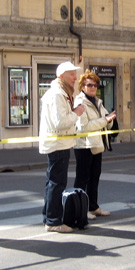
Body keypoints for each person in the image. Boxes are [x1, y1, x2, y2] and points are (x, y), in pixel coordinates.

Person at [39, 61, 85, 233]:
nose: (75, 77)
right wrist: (76, 113)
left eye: (75, 73)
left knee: (53, 182)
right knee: (57, 183)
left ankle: (49, 217)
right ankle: (53, 221)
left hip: (59, 143)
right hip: (58, 144)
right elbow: (60, 122)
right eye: (71, 74)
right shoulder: (58, 94)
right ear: (61, 76)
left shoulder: (61, 92)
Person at [73, 70, 116, 220]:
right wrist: (105, 120)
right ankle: (80, 209)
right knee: (82, 178)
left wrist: (110, 121)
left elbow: (105, 121)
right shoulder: (80, 102)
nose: (93, 88)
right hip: (84, 146)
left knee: (95, 177)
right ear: (82, 87)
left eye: (95, 85)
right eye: (89, 85)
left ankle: (93, 206)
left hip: (97, 144)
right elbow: (83, 126)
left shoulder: (97, 101)